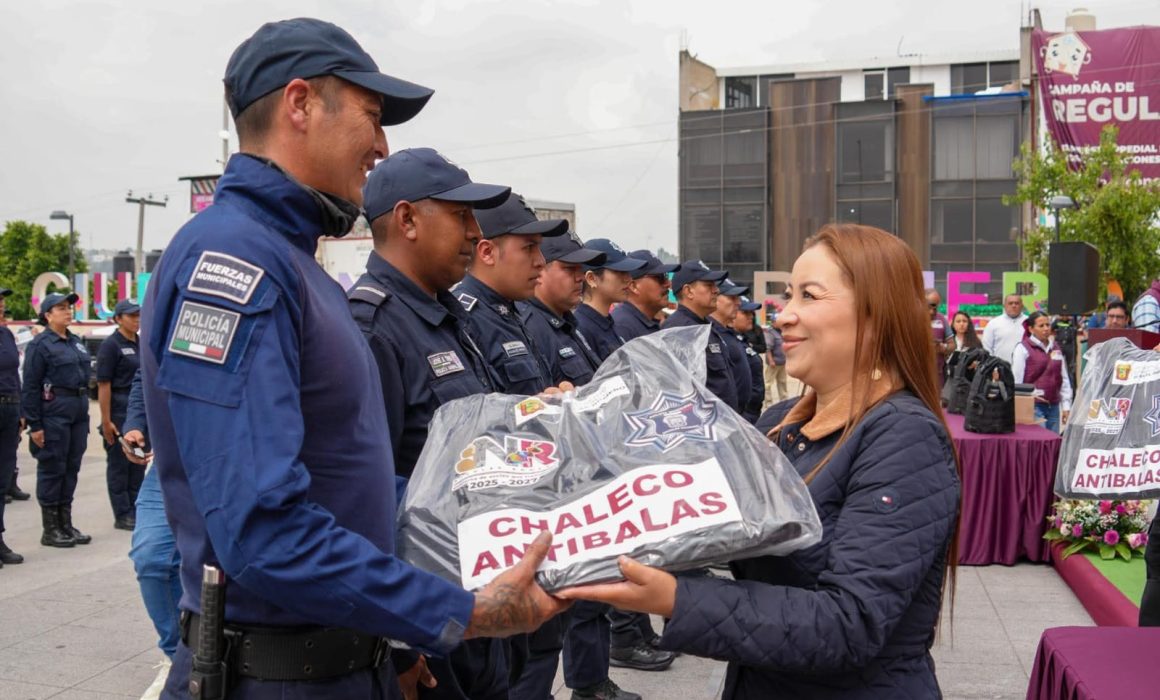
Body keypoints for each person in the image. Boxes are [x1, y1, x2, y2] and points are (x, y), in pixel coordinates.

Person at [139, 19, 566, 699]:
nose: (381, 145)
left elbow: (354, 479)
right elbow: (262, 530)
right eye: (372, 115)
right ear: (300, 104)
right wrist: (458, 612)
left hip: (345, 660)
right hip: (278, 676)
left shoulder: (295, 263)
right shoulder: (234, 261)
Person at [559, 224, 962, 699]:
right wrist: (586, 426)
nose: (784, 315)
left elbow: (849, 623)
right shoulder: (780, 422)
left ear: (875, 315)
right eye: (789, 296)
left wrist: (678, 597)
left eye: (808, 296)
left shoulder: (903, 436)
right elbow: (687, 496)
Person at [349, 148, 513, 700]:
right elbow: (360, 500)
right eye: (460, 216)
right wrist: (397, 645)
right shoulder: (373, 329)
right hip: (427, 617)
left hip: (476, 593)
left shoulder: (447, 317)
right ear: (408, 220)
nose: (474, 232)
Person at [516, 229, 661, 699]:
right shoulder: (536, 326)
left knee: (592, 594)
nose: (579, 278)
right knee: (570, 611)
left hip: (592, 475)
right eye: (571, 269)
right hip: (560, 487)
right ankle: (588, 682)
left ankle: (590, 680)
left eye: (584, 270)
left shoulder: (567, 324)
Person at [457, 195, 565, 396]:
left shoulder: (509, 312)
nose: (541, 261)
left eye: (539, 248)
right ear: (487, 252)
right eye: (529, 248)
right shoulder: (463, 320)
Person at [121, 368, 178, 700]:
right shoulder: (165, 316)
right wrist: (135, 425)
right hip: (168, 462)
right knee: (152, 558)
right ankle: (179, 659)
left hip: (237, 459)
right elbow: (146, 376)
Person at [21, 291, 93, 549]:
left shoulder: (75, 342)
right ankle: (50, 528)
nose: (67, 311)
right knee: (53, 467)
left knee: (71, 467)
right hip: (53, 412)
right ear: (48, 315)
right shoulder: (40, 345)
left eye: (69, 307)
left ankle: (65, 523)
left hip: (77, 410)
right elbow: (30, 386)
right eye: (60, 308)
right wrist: (35, 425)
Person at [662, 261, 738, 411]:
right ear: (688, 291)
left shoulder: (704, 325)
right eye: (709, 285)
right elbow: (678, 391)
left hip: (722, 423)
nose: (716, 290)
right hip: (704, 425)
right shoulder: (679, 329)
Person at [96, 299, 143, 530]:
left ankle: (135, 507)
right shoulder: (111, 345)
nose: (136, 319)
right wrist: (106, 420)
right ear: (118, 318)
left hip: (137, 410)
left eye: (138, 315)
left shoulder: (140, 343)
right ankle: (122, 512)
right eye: (131, 315)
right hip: (118, 407)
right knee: (119, 466)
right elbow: (104, 385)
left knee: (137, 464)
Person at [573, 239, 645, 361]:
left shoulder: (609, 324)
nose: (628, 279)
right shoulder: (581, 329)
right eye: (619, 271)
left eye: (627, 272)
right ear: (591, 278)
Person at [1011, 311, 1072, 433]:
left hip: (1054, 405)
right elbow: (1017, 381)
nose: (1046, 329)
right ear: (1031, 329)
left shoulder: (1056, 348)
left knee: (1052, 445)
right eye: (1041, 326)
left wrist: (1066, 406)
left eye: (1047, 325)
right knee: (1038, 445)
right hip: (1033, 406)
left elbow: (1063, 378)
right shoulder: (1022, 348)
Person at [0, 287, 24, 567]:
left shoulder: (6, 334)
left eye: (3, 300)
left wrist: (21, 411)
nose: (2, 305)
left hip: (9, 408)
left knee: (2, 479)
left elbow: (14, 374)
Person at [610, 251, 678, 342]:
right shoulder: (622, 327)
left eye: (666, 276)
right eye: (659, 277)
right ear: (633, 286)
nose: (668, 284)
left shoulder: (644, 322)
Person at [732, 296, 766, 423]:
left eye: (751, 313)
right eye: (745, 313)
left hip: (752, 413)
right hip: (742, 415)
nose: (751, 316)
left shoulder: (742, 339)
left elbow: (763, 347)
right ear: (732, 312)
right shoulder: (727, 342)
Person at [982, 293, 1028, 363]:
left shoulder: (1029, 322)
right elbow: (986, 348)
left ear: (1022, 306)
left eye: (1017, 303)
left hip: (1026, 368)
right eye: (1010, 303)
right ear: (1004, 306)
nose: (1013, 305)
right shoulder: (993, 323)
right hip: (1000, 369)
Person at [762, 315, 788, 410]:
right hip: (773, 363)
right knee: (768, 383)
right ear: (773, 322)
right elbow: (768, 348)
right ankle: (768, 403)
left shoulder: (781, 332)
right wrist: (771, 360)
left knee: (782, 382)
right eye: (778, 321)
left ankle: (784, 401)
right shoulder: (770, 333)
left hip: (782, 362)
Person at [927, 290, 950, 385]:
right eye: (930, 306)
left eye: (935, 307)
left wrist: (943, 347)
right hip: (917, 374)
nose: (932, 311)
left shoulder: (941, 319)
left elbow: (952, 345)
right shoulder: (913, 319)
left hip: (938, 375)